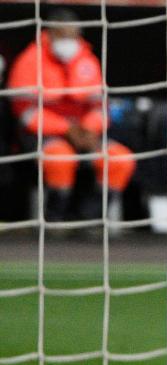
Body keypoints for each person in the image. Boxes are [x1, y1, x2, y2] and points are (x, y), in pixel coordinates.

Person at [5, 9, 135, 222]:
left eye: (73, 35)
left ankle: (91, 219)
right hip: (42, 134)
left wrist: (89, 129)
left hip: (85, 133)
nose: (69, 41)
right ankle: (56, 219)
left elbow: (101, 106)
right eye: (63, 35)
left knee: (121, 159)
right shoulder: (29, 60)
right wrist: (66, 129)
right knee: (59, 156)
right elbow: (25, 113)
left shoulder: (88, 59)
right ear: (50, 33)